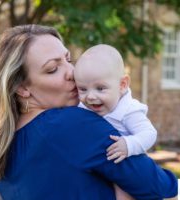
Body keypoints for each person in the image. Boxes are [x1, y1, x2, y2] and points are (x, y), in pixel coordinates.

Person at [0, 24, 178, 200]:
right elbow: (161, 187)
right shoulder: (69, 125)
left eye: (68, 59)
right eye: (53, 69)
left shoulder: (1, 146)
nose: (72, 73)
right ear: (22, 88)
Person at [74, 44, 157, 200]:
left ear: (122, 85)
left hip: (127, 164)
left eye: (100, 88)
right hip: (99, 166)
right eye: (83, 89)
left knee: (123, 190)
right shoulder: (83, 107)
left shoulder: (129, 110)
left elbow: (149, 133)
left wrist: (129, 144)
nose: (90, 96)